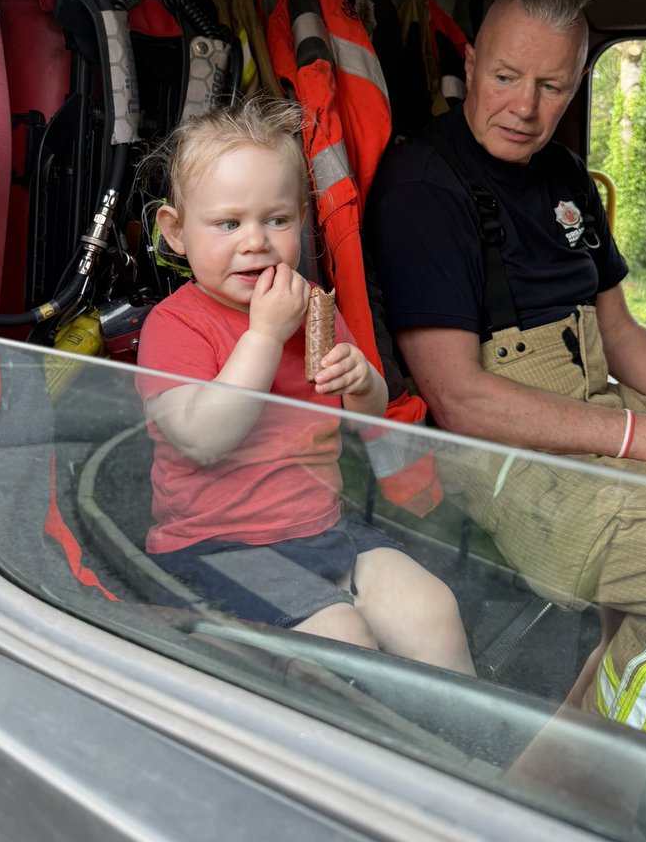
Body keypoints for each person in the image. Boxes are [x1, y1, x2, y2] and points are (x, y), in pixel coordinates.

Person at [366, 0, 646, 755]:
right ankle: (606, 777)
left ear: (576, 84)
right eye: (506, 77)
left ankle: (573, 737)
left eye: (551, 86)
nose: (525, 107)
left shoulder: (566, 174)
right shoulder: (424, 187)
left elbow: (622, 338)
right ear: (471, 65)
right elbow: (462, 399)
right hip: (507, 457)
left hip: (600, 417)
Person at [135, 97, 474, 674]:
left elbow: (364, 414)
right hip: (216, 550)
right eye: (228, 223)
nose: (255, 241)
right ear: (176, 232)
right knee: (342, 638)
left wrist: (362, 382)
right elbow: (201, 438)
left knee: (432, 608)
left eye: (277, 220)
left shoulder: (313, 307)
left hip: (322, 526)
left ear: (302, 220)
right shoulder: (175, 326)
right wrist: (265, 336)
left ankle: (455, 732)